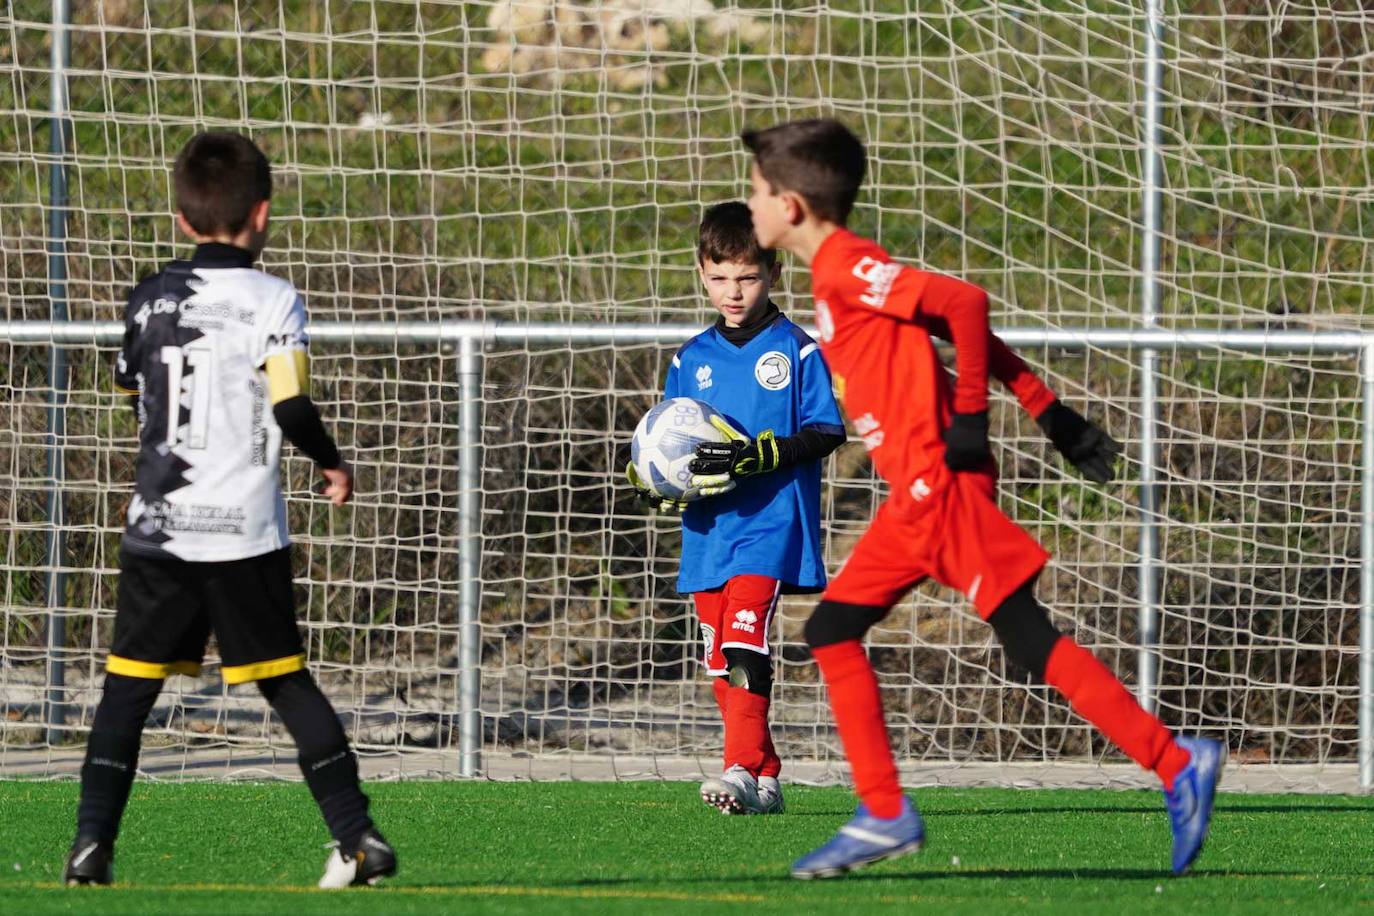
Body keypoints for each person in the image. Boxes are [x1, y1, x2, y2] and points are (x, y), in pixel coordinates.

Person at [739, 119, 1223, 877]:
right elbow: (956, 324)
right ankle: (1168, 762)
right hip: (917, 494)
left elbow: (965, 302)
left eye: (759, 192)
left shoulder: (845, 269)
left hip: (938, 487)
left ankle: (893, 810)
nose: (752, 204)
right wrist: (1047, 408)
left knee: (875, 631)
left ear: (792, 206)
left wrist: (971, 419)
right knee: (866, 631)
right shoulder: (839, 274)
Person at [64, 132, 396, 889]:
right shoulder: (275, 299)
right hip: (245, 532)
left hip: (160, 531)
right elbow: (290, 404)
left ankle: (91, 844)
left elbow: (134, 394)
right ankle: (357, 835)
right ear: (263, 214)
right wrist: (332, 462)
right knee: (286, 683)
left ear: (182, 219)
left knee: (127, 690)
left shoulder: (148, 297)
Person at [628, 201, 845, 814]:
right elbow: (669, 436)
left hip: (770, 522)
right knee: (719, 655)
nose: (733, 290)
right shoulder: (689, 359)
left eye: (747, 277)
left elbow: (828, 432)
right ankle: (765, 774)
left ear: (773, 273)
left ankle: (739, 769)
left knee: (747, 637)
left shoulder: (796, 351)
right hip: (708, 530)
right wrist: (655, 482)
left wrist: (757, 456)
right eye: (720, 277)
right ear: (702, 273)